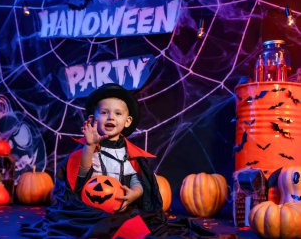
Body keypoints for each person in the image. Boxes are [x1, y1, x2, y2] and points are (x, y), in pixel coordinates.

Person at [21, 83, 218, 238]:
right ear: (93, 118)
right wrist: (89, 147)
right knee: (89, 225)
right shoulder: (89, 147)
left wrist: (134, 194)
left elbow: (134, 179)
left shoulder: (127, 153)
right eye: (104, 112)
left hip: (119, 204)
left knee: (134, 221)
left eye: (117, 113)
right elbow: (81, 177)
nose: (110, 117)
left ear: (127, 121)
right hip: (91, 207)